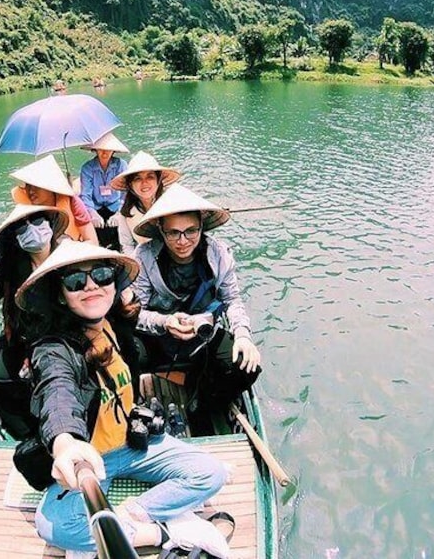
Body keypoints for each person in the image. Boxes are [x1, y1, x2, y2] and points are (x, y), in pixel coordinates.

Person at [15, 240, 232, 558]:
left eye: (101, 275)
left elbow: (146, 319)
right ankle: (168, 532)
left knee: (212, 472)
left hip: (131, 443)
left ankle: (132, 517)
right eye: (76, 281)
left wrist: (179, 321)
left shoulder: (114, 323)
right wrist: (66, 443)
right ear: (60, 295)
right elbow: (57, 393)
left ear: (113, 284)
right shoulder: (54, 349)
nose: (91, 286)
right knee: (54, 527)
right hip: (89, 461)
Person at [131, 184, 262, 435]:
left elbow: (232, 299)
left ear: (201, 227)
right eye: (173, 233)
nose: (182, 241)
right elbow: (136, 311)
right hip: (158, 336)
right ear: (161, 230)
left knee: (247, 367)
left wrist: (243, 336)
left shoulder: (219, 254)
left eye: (191, 231)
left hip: (203, 337)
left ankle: (203, 399)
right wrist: (165, 322)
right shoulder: (145, 256)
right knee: (123, 353)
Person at [0, 204, 69, 440]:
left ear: (48, 224)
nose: (33, 231)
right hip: (22, 336)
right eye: (22, 229)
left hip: (65, 337)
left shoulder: (69, 256)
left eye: (37, 222)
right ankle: (27, 433)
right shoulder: (13, 264)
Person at [10, 154, 98, 245]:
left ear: (50, 187)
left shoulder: (73, 202)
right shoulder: (24, 210)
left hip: (72, 249)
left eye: (36, 186)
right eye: (28, 185)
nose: (31, 191)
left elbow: (93, 241)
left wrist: (72, 249)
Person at [109, 151, 181, 257]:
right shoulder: (126, 213)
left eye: (150, 177)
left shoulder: (172, 204)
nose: (144, 183)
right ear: (130, 185)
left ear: (158, 180)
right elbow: (127, 245)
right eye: (138, 179)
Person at [78, 132, 129, 249]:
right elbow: (85, 195)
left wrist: (119, 213)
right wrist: (92, 213)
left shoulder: (121, 165)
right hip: (95, 206)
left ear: (113, 150)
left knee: (119, 227)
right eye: (100, 149)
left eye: (108, 149)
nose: (104, 152)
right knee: (97, 229)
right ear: (95, 149)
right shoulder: (87, 168)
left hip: (116, 205)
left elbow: (125, 193)